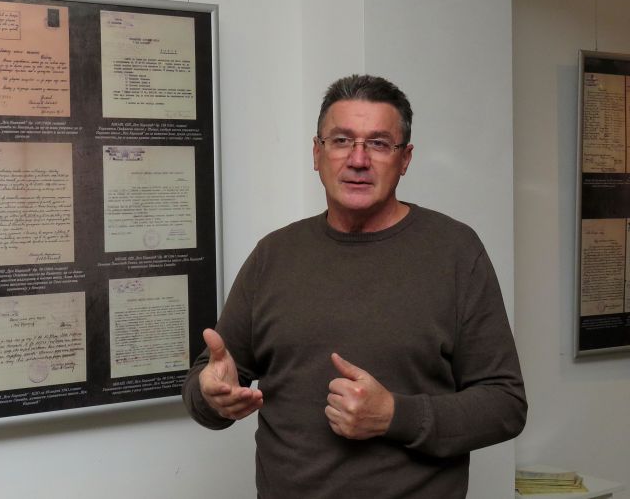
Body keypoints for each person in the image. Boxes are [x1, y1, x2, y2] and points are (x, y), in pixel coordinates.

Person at [183, 74, 527, 498]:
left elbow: (505, 404)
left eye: (379, 143)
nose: (358, 159)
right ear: (317, 153)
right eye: (342, 140)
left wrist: (395, 416)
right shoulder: (274, 255)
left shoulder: (455, 252)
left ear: (405, 159)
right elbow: (208, 382)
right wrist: (210, 395)